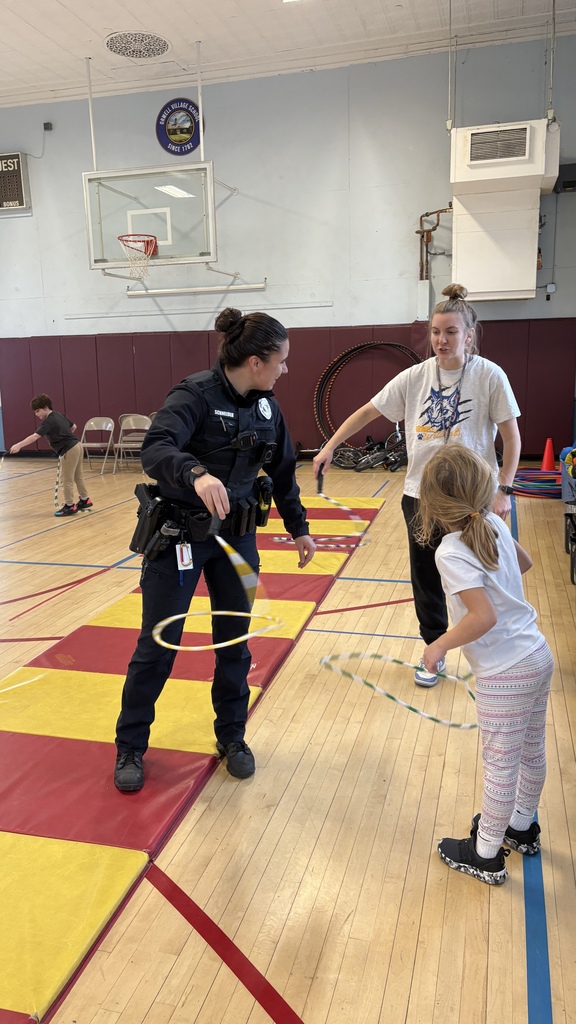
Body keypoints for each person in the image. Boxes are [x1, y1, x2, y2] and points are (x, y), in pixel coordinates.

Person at [114, 307, 316, 792]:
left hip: (238, 541)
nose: (285, 369)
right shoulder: (194, 395)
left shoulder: (268, 407)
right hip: (179, 539)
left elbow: (285, 472)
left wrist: (299, 528)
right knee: (156, 646)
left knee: (234, 643)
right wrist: (194, 472)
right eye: (281, 361)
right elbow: (156, 447)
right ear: (254, 361)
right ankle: (130, 746)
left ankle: (232, 736)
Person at [313, 284, 521, 687]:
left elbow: (512, 438)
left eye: (451, 332)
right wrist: (329, 445)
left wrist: (503, 489)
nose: (441, 341)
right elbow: (366, 412)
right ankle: (434, 652)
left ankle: (503, 650)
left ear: (469, 335)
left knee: (493, 573)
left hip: (474, 499)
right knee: (426, 579)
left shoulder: (490, 376)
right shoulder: (414, 377)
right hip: (422, 498)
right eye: (435, 332)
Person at [417, 444, 554, 885]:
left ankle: (486, 854)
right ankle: (522, 825)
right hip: (536, 654)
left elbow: (482, 617)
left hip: (505, 675)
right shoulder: (491, 521)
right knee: (530, 751)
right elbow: (527, 562)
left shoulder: (452, 551)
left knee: (500, 764)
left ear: (435, 506)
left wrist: (438, 646)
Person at [9, 394, 92, 516]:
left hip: (69, 449)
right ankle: (85, 500)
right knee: (77, 476)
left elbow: (35, 436)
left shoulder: (48, 422)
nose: (36, 414)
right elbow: (74, 426)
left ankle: (69, 506)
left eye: (38, 411)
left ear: (46, 407)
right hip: (78, 445)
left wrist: (19, 445)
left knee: (66, 479)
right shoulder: (59, 415)